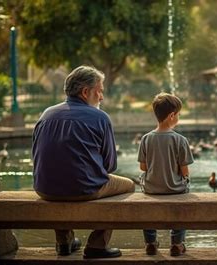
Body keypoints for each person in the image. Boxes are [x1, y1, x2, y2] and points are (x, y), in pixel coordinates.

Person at [32, 65, 135, 259]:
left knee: (59, 175)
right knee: (128, 186)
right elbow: (110, 166)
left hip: (44, 188)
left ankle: (64, 241)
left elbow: (38, 157)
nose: (102, 97)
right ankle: (97, 244)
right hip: (83, 189)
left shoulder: (46, 114)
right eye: (100, 91)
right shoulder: (100, 117)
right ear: (85, 92)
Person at [137, 92, 194, 256]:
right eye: (179, 114)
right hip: (175, 189)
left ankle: (150, 243)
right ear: (171, 116)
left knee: (146, 206)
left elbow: (143, 167)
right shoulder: (180, 140)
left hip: (152, 190)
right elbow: (185, 171)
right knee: (183, 203)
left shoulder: (146, 139)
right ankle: (177, 243)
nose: (179, 117)